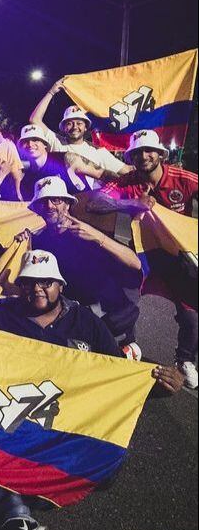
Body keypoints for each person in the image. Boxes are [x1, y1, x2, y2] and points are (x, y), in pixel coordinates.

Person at [0, 249, 184, 530]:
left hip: (64, 423)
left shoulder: (85, 321)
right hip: (11, 417)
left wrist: (158, 383)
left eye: (46, 282)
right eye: (29, 283)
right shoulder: (2, 314)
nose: (37, 289)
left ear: (61, 285)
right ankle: (19, 523)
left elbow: (115, 372)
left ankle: (15, 499)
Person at [92, 129, 199, 388]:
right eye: (138, 152)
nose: (144, 156)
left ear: (161, 154)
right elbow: (95, 203)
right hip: (142, 252)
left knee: (191, 314)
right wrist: (131, 205)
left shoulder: (180, 177)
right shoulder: (128, 180)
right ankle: (125, 345)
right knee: (123, 302)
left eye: (149, 150)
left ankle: (185, 359)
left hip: (177, 254)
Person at [22, 176, 143, 354]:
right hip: (70, 320)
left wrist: (99, 238)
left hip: (108, 317)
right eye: (43, 202)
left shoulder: (88, 232)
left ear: (67, 204)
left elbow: (135, 263)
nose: (49, 207)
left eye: (55, 200)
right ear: (37, 210)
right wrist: (22, 245)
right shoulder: (37, 241)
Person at [29, 79, 132, 181]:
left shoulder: (98, 151)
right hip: (58, 195)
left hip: (87, 196)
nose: (75, 127)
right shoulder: (56, 141)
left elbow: (126, 170)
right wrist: (51, 92)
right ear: (63, 127)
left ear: (86, 127)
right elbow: (34, 119)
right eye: (69, 123)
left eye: (79, 123)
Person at [18, 124, 117, 200]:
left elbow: (102, 174)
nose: (30, 144)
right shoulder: (25, 180)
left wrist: (124, 190)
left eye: (35, 140)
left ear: (44, 144)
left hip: (89, 214)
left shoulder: (67, 159)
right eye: (25, 142)